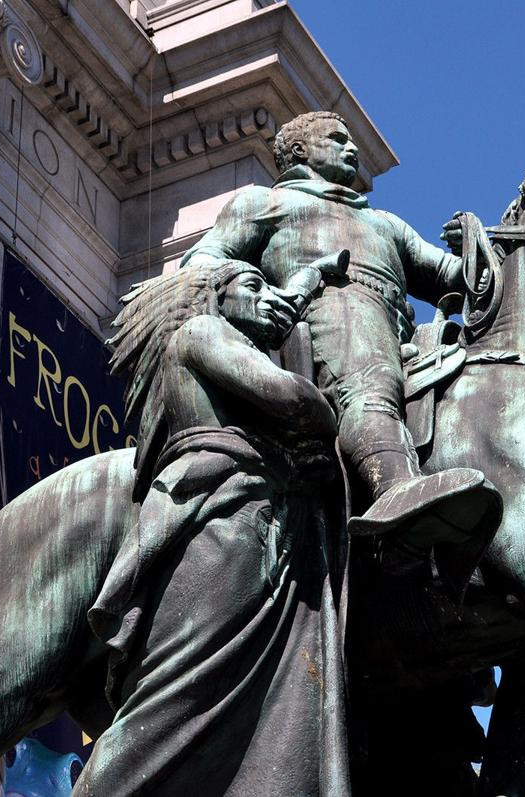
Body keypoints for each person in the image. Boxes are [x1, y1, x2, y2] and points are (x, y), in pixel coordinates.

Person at [78, 261, 350, 797]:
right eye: (254, 287)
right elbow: (291, 398)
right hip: (228, 524)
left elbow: (281, 315)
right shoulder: (202, 331)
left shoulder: (233, 336)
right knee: (177, 699)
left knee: (275, 714)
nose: (270, 298)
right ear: (214, 296)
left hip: (263, 526)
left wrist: (312, 277)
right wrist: (323, 407)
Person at [181, 111, 500, 554]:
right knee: (369, 381)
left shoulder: (385, 224)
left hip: (396, 334)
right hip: (325, 325)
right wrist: (263, 296)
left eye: (351, 142)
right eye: (337, 140)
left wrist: (480, 245)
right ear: (299, 152)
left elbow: (451, 276)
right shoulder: (265, 203)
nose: (352, 149)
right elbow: (203, 262)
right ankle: (395, 490)